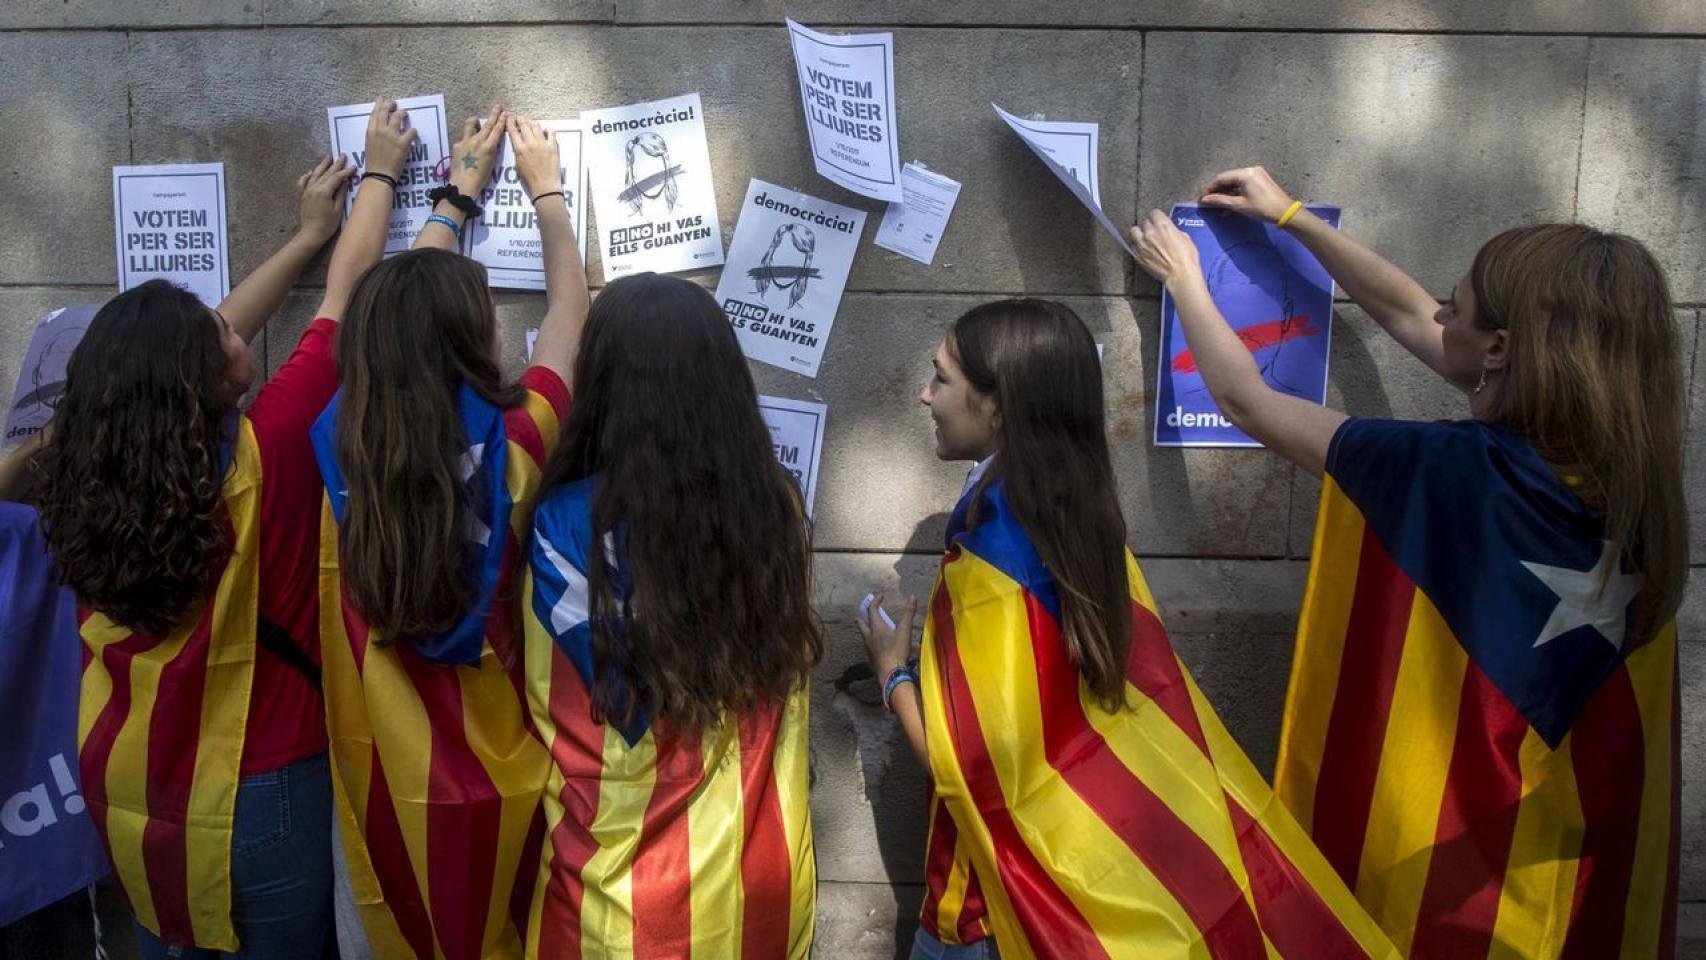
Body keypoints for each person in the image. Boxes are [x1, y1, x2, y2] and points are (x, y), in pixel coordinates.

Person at [1131, 168, 1686, 958]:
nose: (1438, 312)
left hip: (1455, 899)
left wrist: (1185, 277)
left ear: (1499, 351)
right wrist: (1292, 217)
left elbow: (1249, 401)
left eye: (1455, 307)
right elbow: (1406, 312)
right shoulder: (1640, 487)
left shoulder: (1448, 472)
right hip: (1569, 865)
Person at [856, 298, 1397, 960]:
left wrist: (894, 674)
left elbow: (960, 764)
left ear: (998, 406)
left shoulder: (989, 561)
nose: (924, 394)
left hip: (997, 906)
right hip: (1094, 878)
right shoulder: (1084, 522)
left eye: (941, 378)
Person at [33, 152, 356, 956]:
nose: (231, 322)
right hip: (266, 790)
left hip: (130, 780)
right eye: (220, 330)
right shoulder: (268, 453)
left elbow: (182, 354)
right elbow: (344, 302)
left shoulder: (80, 475)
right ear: (205, 377)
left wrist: (303, 234)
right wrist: (381, 180)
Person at [310, 108, 588, 960]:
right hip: (509, 775)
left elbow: (392, 321)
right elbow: (572, 308)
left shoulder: (332, 437)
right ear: (476, 337)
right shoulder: (523, 436)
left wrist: (453, 198)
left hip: (384, 786)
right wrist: (546, 191)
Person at [521, 273, 820, 957]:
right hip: (760, 886)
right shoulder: (776, 509)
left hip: (616, 902)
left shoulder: (562, 526)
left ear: (601, 382)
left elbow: (607, 702)